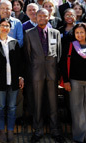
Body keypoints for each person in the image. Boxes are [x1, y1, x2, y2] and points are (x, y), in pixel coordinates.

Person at [24, 8, 64, 142]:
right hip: (36, 72)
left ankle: (55, 130)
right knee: (37, 103)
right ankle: (38, 130)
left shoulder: (56, 33)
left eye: (44, 16)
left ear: (49, 18)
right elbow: (28, 56)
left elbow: (59, 54)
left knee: (54, 103)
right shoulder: (29, 33)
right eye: (39, 16)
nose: (42, 18)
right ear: (35, 17)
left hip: (52, 72)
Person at [60, 23, 86, 143]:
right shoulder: (70, 46)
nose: (79, 35)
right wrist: (66, 81)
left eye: (82, 32)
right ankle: (78, 137)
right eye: (77, 32)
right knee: (76, 109)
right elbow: (64, 64)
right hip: (74, 82)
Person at [0, 18, 24, 143]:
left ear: (10, 28)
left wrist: (20, 77)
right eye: (2, 25)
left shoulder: (15, 42)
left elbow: (19, 63)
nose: (5, 28)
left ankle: (11, 131)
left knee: (12, 107)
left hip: (13, 80)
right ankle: (1, 132)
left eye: (7, 26)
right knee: (0, 107)